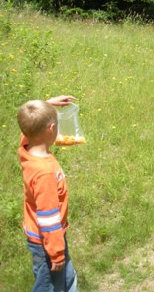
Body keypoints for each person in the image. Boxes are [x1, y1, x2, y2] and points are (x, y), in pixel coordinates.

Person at [17, 95, 79, 292]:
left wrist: (47, 105)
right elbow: (48, 217)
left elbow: (30, 126)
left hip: (50, 239)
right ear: (51, 129)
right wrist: (56, 253)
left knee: (67, 279)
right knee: (48, 286)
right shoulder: (44, 173)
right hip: (46, 243)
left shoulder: (27, 147)